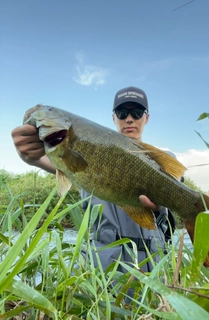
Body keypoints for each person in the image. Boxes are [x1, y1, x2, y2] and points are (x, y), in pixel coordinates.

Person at [11, 86, 175, 275]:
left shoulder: (164, 158)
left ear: (146, 117)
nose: (129, 118)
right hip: (102, 266)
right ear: (114, 118)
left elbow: (175, 183)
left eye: (137, 113)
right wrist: (30, 157)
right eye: (122, 113)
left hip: (154, 264)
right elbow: (60, 160)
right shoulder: (84, 151)